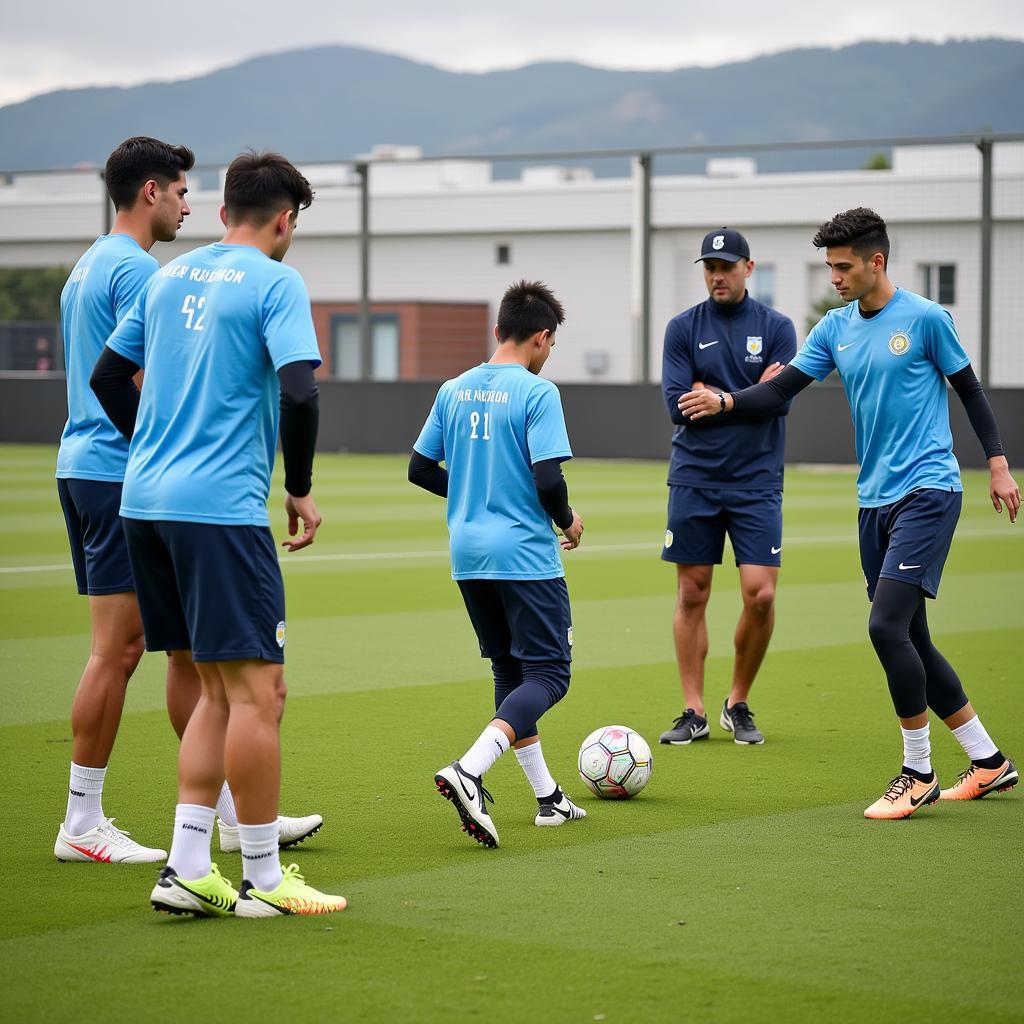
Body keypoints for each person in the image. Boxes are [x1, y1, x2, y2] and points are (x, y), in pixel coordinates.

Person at [679, 207, 1019, 819]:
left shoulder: (924, 318)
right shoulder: (834, 328)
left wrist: (997, 462)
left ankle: (917, 770)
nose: (833, 277)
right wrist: (728, 398)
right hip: (874, 500)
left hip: (929, 489)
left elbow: (968, 389)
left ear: (875, 261)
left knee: (886, 628)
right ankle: (989, 761)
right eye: (829, 267)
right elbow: (780, 391)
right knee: (912, 634)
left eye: (843, 266)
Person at [54, 137, 321, 867]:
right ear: (284, 220)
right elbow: (300, 389)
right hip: (201, 499)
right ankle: (256, 869)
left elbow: (109, 374)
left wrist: (154, 444)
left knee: (200, 676)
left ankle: (195, 856)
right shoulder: (257, 280)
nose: (185, 202)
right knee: (243, 686)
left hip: (134, 491)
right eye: (176, 191)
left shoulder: (147, 273)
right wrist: (296, 486)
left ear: (226, 207)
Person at [409, 280, 587, 848]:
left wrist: (473, 496)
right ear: (542, 337)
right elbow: (549, 479)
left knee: (509, 672)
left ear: (496, 331)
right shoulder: (538, 393)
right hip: (524, 556)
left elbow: (419, 468)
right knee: (551, 675)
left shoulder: (453, 389)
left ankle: (548, 800)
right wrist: (566, 521)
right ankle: (469, 769)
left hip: (468, 554)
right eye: (550, 345)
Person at [659, 228, 796, 747]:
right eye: (709, 267)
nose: (717, 275)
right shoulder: (681, 328)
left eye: (727, 265)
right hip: (694, 477)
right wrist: (750, 392)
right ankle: (692, 710)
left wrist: (715, 397)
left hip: (757, 480)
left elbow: (780, 399)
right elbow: (676, 404)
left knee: (760, 594)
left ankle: (736, 701)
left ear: (748, 268)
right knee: (692, 592)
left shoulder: (778, 327)